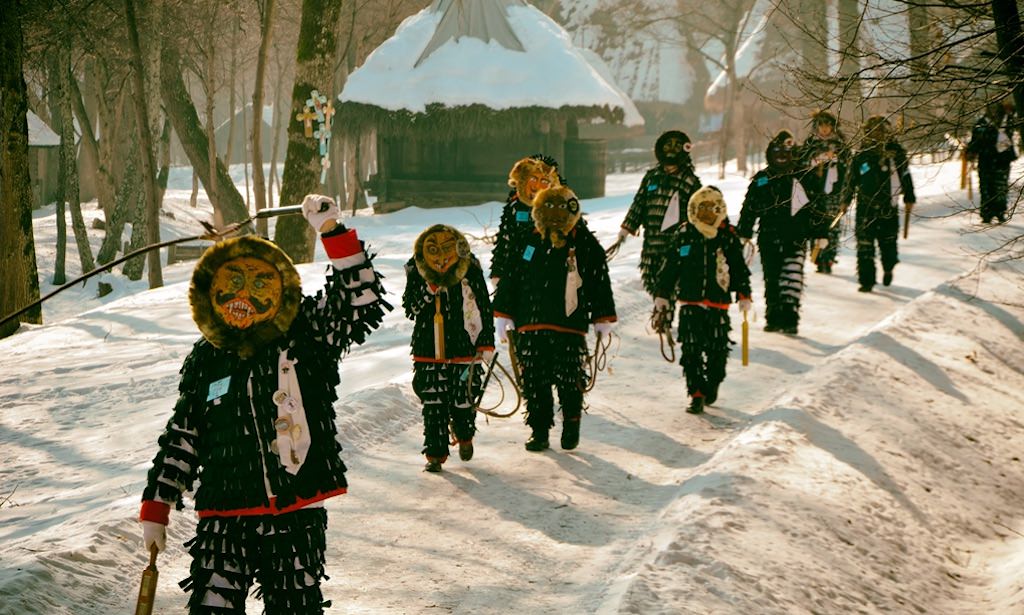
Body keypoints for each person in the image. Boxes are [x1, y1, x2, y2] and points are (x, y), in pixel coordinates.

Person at [138, 195, 389, 614]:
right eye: (232, 283)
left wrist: (331, 231)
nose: (244, 296)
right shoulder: (207, 357)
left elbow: (359, 302)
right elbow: (184, 434)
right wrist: (157, 504)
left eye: (259, 284)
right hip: (223, 515)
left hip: (294, 512)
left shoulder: (305, 333)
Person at [492, 185, 616, 452]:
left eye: (560, 209)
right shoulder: (526, 240)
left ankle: (571, 424)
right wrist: (504, 314)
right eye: (548, 209)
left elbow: (598, 280)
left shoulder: (583, 242)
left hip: (569, 324)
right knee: (534, 381)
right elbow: (511, 278)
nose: (555, 216)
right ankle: (539, 431)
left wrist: (601, 316)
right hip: (531, 321)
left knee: (569, 377)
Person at [403, 224, 495, 473]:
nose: (442, 257)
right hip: (428, 348)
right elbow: (410, 307)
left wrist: (486, 340)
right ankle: (435, 453)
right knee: (433, 401)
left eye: (447, 249)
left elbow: (484, 305)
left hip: (466, 345)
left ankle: (464, 434)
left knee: (463, 398)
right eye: (434, 250)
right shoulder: (416, 269)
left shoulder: (470, 268)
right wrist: (429, 289)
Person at [654, 186, 752, 414]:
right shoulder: (684, 234)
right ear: (694, 209)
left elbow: (738, 267)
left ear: (720, 209)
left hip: (717, 303)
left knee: (717, 348)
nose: (707, 214)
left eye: (712, 208)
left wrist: (744, 293)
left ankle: (714, 381)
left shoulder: (727, 235)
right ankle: (696, 393)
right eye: (702, 208)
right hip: (690, 302)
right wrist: (662, 293)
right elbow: (670, 267)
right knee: (691, 349)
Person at [737, 130, 812, 335]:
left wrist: (820, 234)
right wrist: (744, 232)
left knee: (791, 278)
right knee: (772, 279)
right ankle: (774, 317)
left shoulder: (803, 177)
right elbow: (749, 208)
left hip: (796, 237)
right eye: (777, 151)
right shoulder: (762, 179)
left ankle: (790, 319)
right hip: (769, 237)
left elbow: (815, 208)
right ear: (770, 154)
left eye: (786, 151)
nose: (781, 155)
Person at [616, 130, 703, 299]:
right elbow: (638, 204)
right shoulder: (651, 178)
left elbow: (697, 214)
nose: (671, 150)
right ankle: (660, 312)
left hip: (677, 242)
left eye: (677, 146)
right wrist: (626, 229)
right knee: (651, 279)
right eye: (668, 146)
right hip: (652, 241)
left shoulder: (691, 181)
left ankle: (665, 318)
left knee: (671, 281)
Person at [841, 116, 916, 292]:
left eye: (881, 131)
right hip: (865, 208)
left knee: (888, 243)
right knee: (865, 246)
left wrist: (910, 197)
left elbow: (905, 175)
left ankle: (889, 267)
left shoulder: (896, 153)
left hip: (888, 207)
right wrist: (845, 200)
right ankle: (866, 281)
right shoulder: (861, 155)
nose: (877, 135)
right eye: (873, 131)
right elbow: (850, 180)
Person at [490, 155, 561, 285]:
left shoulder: (560, 208)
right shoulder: (515, 206)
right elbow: (505, 239)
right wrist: (498, 271)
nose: (537, 185)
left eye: (544, 181)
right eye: (533, 178)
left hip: (548, 273)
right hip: (517, 271)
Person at [800, 110, 849, 273]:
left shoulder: (841, 143)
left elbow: (848, 165)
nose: (825, 129)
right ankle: (817, 256)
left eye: (828, 126)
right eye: (821, 126)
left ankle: (828, 258)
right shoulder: (810, 143)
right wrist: (819, 158)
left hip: (835, 191)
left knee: (833, 226)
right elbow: (803, 162)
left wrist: (835, 157)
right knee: (815, 224)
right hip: (814, 191)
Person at [966, 99, 1017, 224]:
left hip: (989, 161)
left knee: (989, 187)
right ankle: (996, 212)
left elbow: (975, 143)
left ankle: (990, 212)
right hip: (999, 161)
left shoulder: (982, 123)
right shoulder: (1006, 121)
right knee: (999, 186)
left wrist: (971, 151)